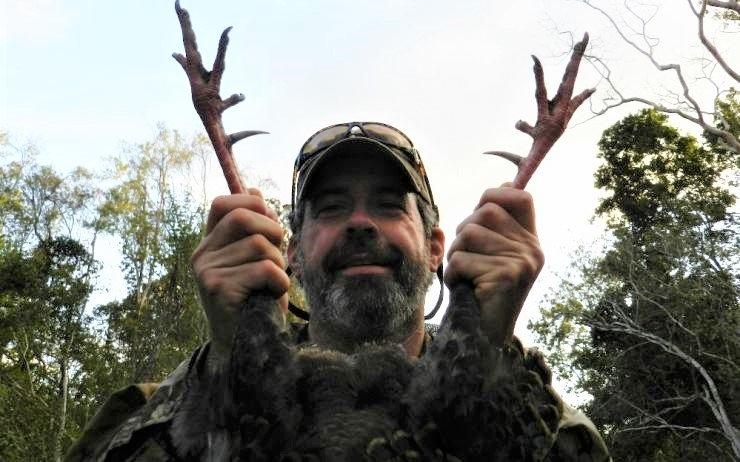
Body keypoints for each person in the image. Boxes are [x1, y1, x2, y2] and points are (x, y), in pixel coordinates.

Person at [65, 122, 610, 461]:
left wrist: (486, 363)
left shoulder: (557, 428)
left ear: (437, 247)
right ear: (291, 253)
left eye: (388, 205)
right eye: (329, 208)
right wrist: (232, 369)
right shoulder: (148, 413)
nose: (359, 224)